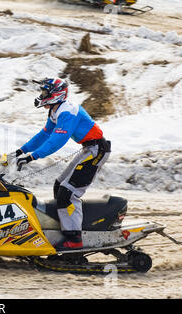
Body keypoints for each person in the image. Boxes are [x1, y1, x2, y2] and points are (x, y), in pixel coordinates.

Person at [15, 78, 111, 251]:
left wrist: (32, 157)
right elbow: (44, 135)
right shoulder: (55, 110)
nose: (41, 95)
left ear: (56, 94)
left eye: (45, 92)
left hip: (97, 150)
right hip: (89, 148)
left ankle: (74, 239)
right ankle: (63, 228)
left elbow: (57, 140)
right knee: (59, 186)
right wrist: (21, 151)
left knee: (69, 193)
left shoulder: (67, 112)